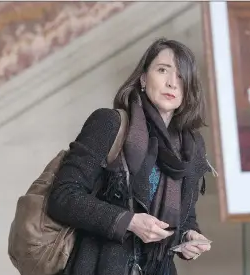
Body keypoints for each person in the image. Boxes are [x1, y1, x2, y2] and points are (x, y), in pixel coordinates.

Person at [47, 38, 213, 275]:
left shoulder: (192, 146)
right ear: (144, 79)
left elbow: (186, 216)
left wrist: (189, 236)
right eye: (163, 70)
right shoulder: (110, 124)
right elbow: (63, 197)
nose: (172, 83)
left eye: (181, 76)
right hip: (100, 266)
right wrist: (130, 222)